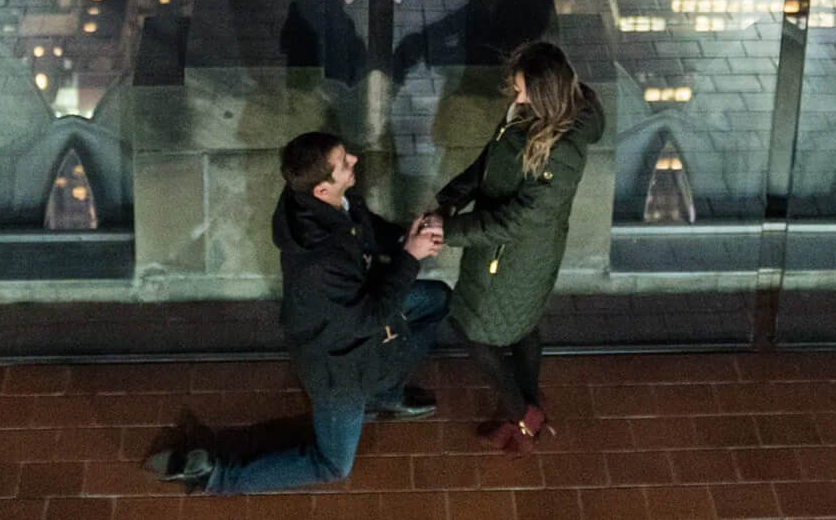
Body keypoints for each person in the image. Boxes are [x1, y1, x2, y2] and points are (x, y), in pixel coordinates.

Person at [145, 131, 448, 493]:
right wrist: (410, 258)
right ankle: (215, 476)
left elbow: (362, 228)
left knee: (437, 299)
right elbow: (368, 318)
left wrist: (404, 238)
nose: (354, 160)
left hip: (357, 325)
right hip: (339, 367)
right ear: (321, 190)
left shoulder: (318, 198)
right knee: (334, 465)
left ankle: (384, 394)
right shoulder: (321, 261)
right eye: (343, 163)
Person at [433, 40, 604, 452]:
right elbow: (491, 161)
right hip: (510, 251)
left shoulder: (559, 152)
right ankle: (529, 403)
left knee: (471, 327)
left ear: (544, 95)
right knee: (522, 323)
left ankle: (522, 412)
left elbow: (517, 220)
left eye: (523, 88)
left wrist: (447, 231)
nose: (516, 93)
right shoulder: (531, 116)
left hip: (513, 255)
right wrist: (451, 197)